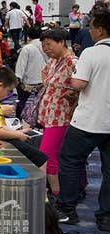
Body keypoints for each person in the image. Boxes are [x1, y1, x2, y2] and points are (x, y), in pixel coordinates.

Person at [55, 8, 110, 229]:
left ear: (99, 29)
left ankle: (68, 210)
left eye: (92, 27)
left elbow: (79, 84)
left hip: (88, 121)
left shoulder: (91, 53)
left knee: (69, 161)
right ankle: (106, 216)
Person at [37, 28, 79, 195]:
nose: (46, 49)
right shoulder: (53, 61)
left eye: (49, 44)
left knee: (47, 155)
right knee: (56, 154)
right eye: (43, 46)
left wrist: (72, 94)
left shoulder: (72, 61)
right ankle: (60, 191)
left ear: (61, 42)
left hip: (61, 116)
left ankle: (55, 194)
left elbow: (83, 85)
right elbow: (45, 76)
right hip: (49, 114)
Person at [15, 26, 48, 118]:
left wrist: (18, 78)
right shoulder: (46, 46)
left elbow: (21, 65)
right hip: (42, 80)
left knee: (22, 101)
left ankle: (19, 119)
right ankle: (39, 119)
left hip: (28, 81)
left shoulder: (27, 48)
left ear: (28, 36)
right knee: (41, 102)